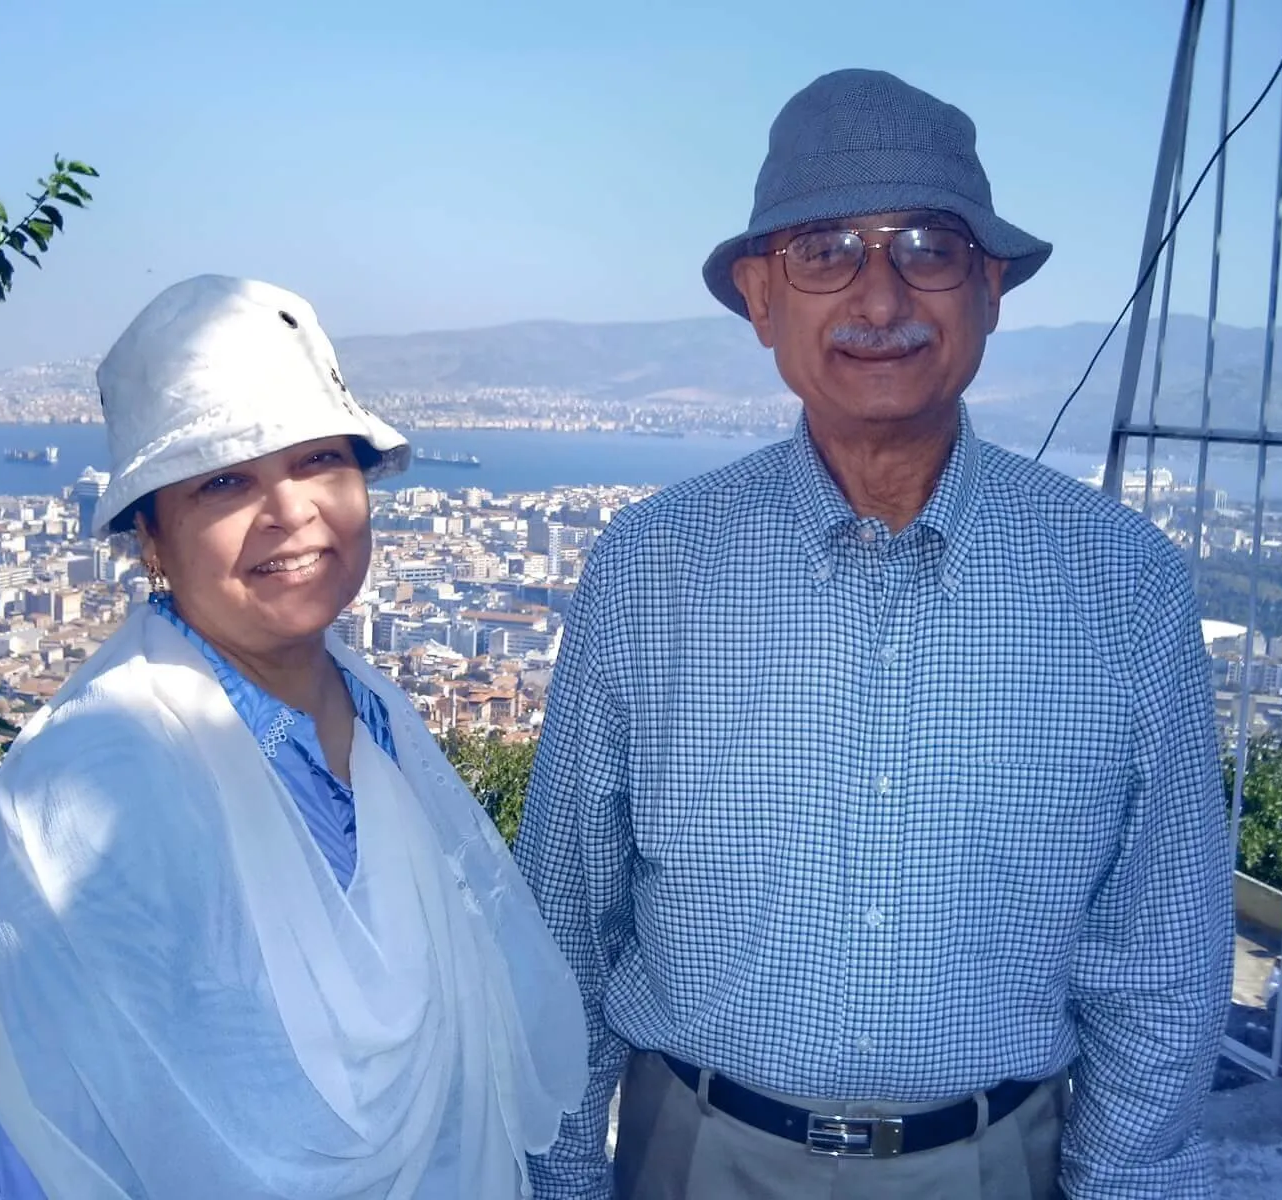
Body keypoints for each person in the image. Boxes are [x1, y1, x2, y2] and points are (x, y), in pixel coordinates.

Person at [513, 69, 1232, 1200]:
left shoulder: (1122, 583)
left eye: (927, 248)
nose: (881, 297)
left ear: (989, 289)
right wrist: (558, 1180)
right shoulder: (651, 568)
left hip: (996, 1164)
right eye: (825, 251)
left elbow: (1161, 957)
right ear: (759, 298)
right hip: (694, 1156)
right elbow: (565, 921)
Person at [0, 274, 586, 1199]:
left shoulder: (377, 721)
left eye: (320, 460)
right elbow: (44, 1145)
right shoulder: (96, 782)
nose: (291, 512)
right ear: (152, 541)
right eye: (224, 481)